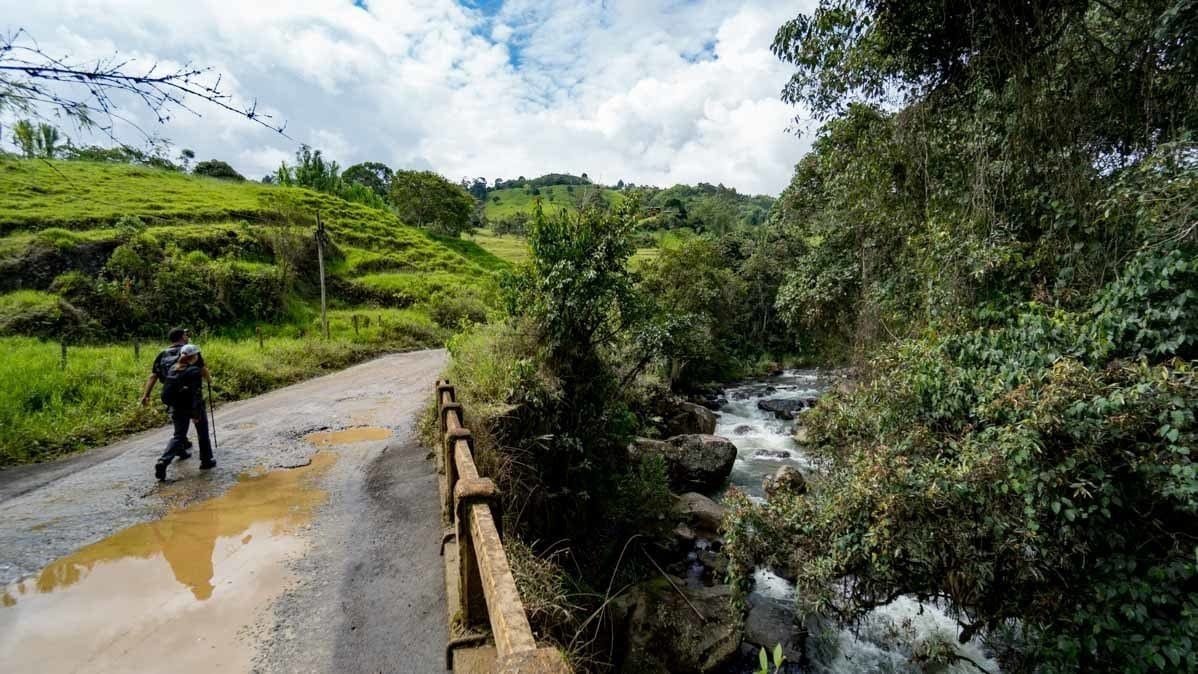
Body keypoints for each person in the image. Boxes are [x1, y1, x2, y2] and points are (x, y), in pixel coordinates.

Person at [154, 343, 215, 480]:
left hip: (176, 407)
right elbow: (196, 394)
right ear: (194, 356)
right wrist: (196, 414)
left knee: (179, 436)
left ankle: (163, 461)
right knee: (202, 433)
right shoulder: (193, 371)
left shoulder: (172, 369)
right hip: (192, 407)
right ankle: (206, 461)